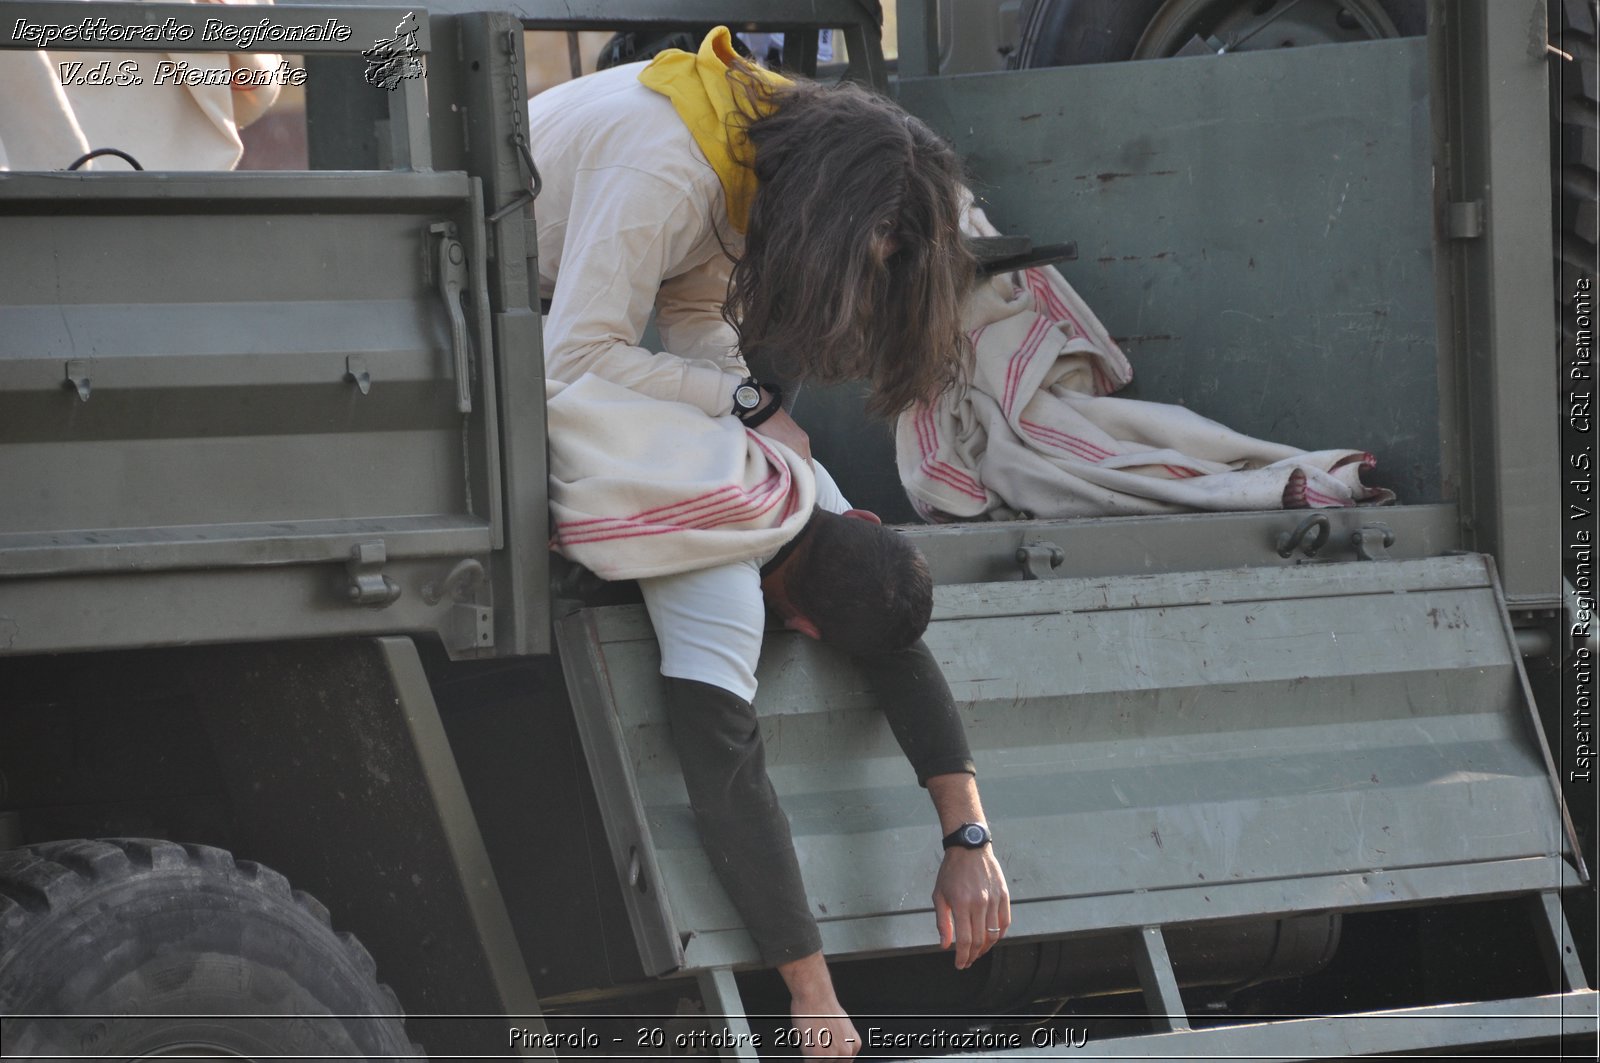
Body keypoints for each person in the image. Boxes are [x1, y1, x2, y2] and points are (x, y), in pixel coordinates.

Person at [529, 28, 1005, 1055]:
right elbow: (573, 354)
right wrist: (812, 997)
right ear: (800, 619)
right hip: (531, 303)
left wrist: (968, 833)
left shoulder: (759, 152)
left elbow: (692, 305)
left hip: (588, 304)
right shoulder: (668, 162)